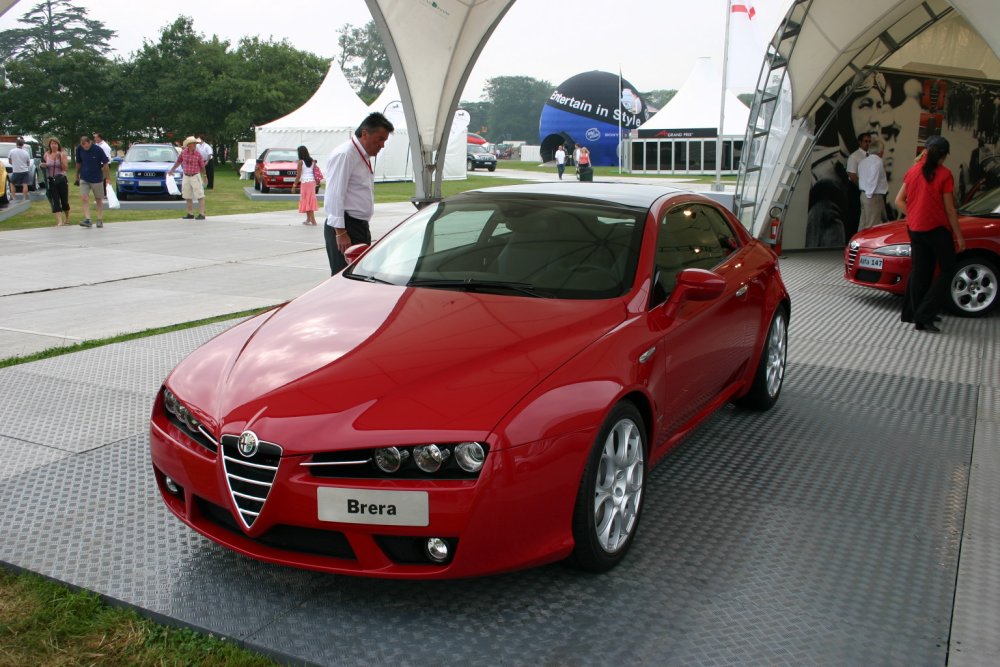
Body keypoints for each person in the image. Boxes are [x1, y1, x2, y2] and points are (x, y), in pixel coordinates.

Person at [895, 135, 965, 333]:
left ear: (925, 151)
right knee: (948, 269)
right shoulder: (944, 174)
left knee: (920, 271)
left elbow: (899, 200)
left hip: (915, 228)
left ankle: (912, 313)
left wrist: (916, 214)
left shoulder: (912, 171)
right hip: (936, 230)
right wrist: (959, 236)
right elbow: (950, 210)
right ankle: (924, 315)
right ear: (943, 156)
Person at [322, 112, 394, 275]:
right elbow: (334, 194)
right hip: (346, 227)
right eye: (380, 139)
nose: (382, 145)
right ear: (364, 134)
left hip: (358, 225)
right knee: (344, 277)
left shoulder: (362, 155)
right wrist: (340, 232)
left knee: (360, 276)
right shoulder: (346, 154)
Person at [74, 134, 110, 228]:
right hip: (84, 177)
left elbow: (105, 163)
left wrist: (108, 178)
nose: (84, 147)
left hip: (96, 178)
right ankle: (88, 219)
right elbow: (78, 162)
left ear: (89, 142)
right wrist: (76, 175)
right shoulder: (79, 149)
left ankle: (99, 219)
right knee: (84, 197)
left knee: (98, 199)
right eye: (82, 145)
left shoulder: (98, 150)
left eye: (85, 144)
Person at [168, 136, 207, 220]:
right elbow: (178, 161)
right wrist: (172, 170)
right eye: (194, 144)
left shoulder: (198, 154)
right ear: (189, 145)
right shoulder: (183, 152)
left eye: (196, 144)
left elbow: (202, 166)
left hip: (195, 176)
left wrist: (205, 176)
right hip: (186, 176)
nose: (195, 145)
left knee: (200, 195)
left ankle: (202, 213)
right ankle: (190, 213)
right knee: (187, 195)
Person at [857, 138, 888, 230]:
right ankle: (866, 244)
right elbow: (872, 179)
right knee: (872, 226)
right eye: (882, 150)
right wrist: (869, 195)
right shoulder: (877, 161)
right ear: (880, 151)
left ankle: (857, 243)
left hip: (863, 194)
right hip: (872, 195)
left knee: (863, 223)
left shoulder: (863, 161)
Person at [43, 137, 70, 226]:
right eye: (52, 143)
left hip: (61, 179)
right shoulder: (46, 155)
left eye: (55, 143)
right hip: (52, 180)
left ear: (58, 145)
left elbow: (65, 168)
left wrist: (60, 158)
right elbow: (46, 165)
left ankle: (67, 218)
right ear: (49, 145)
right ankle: (59, 221)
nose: (53, 145)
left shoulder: (62, 154)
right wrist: (43, 165)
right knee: (55, 200)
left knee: (64, 201)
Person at [292, 145, 320, 225]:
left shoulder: (300, 162)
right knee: (309, 199)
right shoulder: (312, 161)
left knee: (307, 200)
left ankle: (313, 220)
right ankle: (308, 219)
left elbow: (298, 175)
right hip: (312, 182)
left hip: (305, 182)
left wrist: (294, 185)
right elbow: (315, 170)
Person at [8, 137, 32, 201]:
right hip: (25, 171)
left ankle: (13, 197)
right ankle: (24, 198)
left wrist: (14, 164)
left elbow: (10, 161)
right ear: (23, 144)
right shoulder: (26, 152)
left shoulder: (12, 151)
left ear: (16, 144)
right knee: (25, 184)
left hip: (16, 171)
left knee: (12, 183)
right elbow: (28, 163)